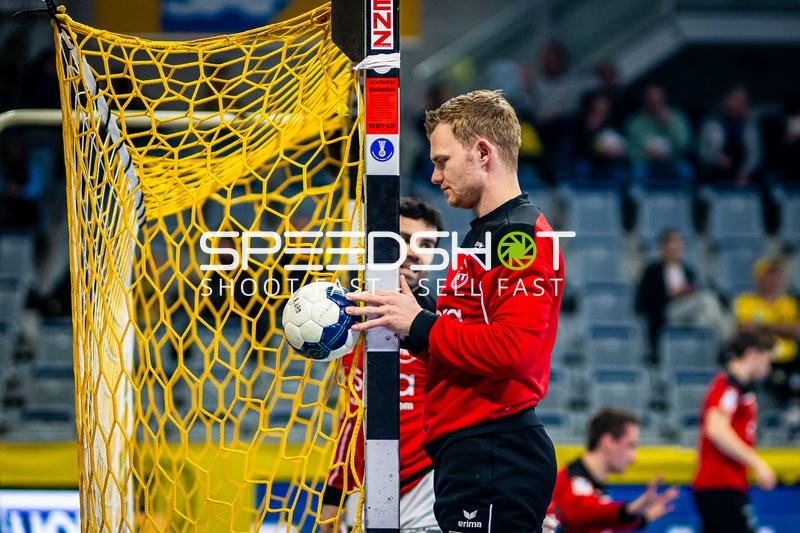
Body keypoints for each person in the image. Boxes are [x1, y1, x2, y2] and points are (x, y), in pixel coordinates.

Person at [345, 90, 564, 533]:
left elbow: (513, 351)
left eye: (443, 161)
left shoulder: (518, 237)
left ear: (483, 152)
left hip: (493, 451)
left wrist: (420, 323)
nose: (435, 175)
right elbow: (461, 340)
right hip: (471, 452)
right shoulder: (485, 233)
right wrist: (407, 311)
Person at [319, 196, 443, 533]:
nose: (414, 251)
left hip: (429, 486)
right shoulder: (349, 318)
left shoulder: (445, 322)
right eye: (403, 239)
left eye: (426, 243)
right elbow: (354, 417)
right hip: (365, 489)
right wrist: (331, 505)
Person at [692, 328, 778, 533]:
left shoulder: (739, 389)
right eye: (767, 359)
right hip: (721, 485)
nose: (769, 367)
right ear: (752, 354)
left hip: (725, 485)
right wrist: (757, 463)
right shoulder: (729, 386)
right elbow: (716, 429)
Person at [549, 407, 679, 532]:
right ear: (608, 441)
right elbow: (586, 511)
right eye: (630, 446)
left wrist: (643, 518)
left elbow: (598, 521)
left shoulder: (591, 485)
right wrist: (629, 510)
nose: (634, 457)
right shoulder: (571, 481)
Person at [635, 228, 730, 356]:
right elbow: (643, 301)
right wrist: (671, 294)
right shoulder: (652, 271)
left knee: (707, 315)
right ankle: (728, 344)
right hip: (668, 313)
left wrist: (688, 292)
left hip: (692, 313)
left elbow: (706, 290)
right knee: (707, 300)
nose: (676, 250)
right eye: (672, 246)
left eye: (679, 246)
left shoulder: (688, 271)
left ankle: (704, 354)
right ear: (663, 248)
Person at [733, 257, 800, 411]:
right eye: (769, 274)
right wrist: (777, 327)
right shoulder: (746, 301)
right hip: (761, 360)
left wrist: (762, 326)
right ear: (759, 278)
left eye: (777, 274)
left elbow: (795, 329)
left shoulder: (788, 303)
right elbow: (742, 328)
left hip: (790, 360)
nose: (774, 279)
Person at [625, 84, 693, 186]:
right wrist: (645, 155)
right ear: (644, 98)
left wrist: (668, 124)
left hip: (672, 160)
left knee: (686, 171)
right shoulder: (635, 122)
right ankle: (637, 200)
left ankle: (682, 199)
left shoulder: (677, 118)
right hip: (644, 161)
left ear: (664, 98)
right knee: (636, 172)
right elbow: (629, 150)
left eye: (658, 97)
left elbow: (683, 145)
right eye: (651, 96)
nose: (654, 100)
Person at [698, 85, 762, 188]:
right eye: (739, 101)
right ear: (727, 101)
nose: (743, 105)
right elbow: (703, 153)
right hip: (718, 169)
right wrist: (717, 159)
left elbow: (755, 154)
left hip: (745, 171)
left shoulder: (751, 125)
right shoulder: (711, 123)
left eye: (745, 101)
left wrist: (745, 172)